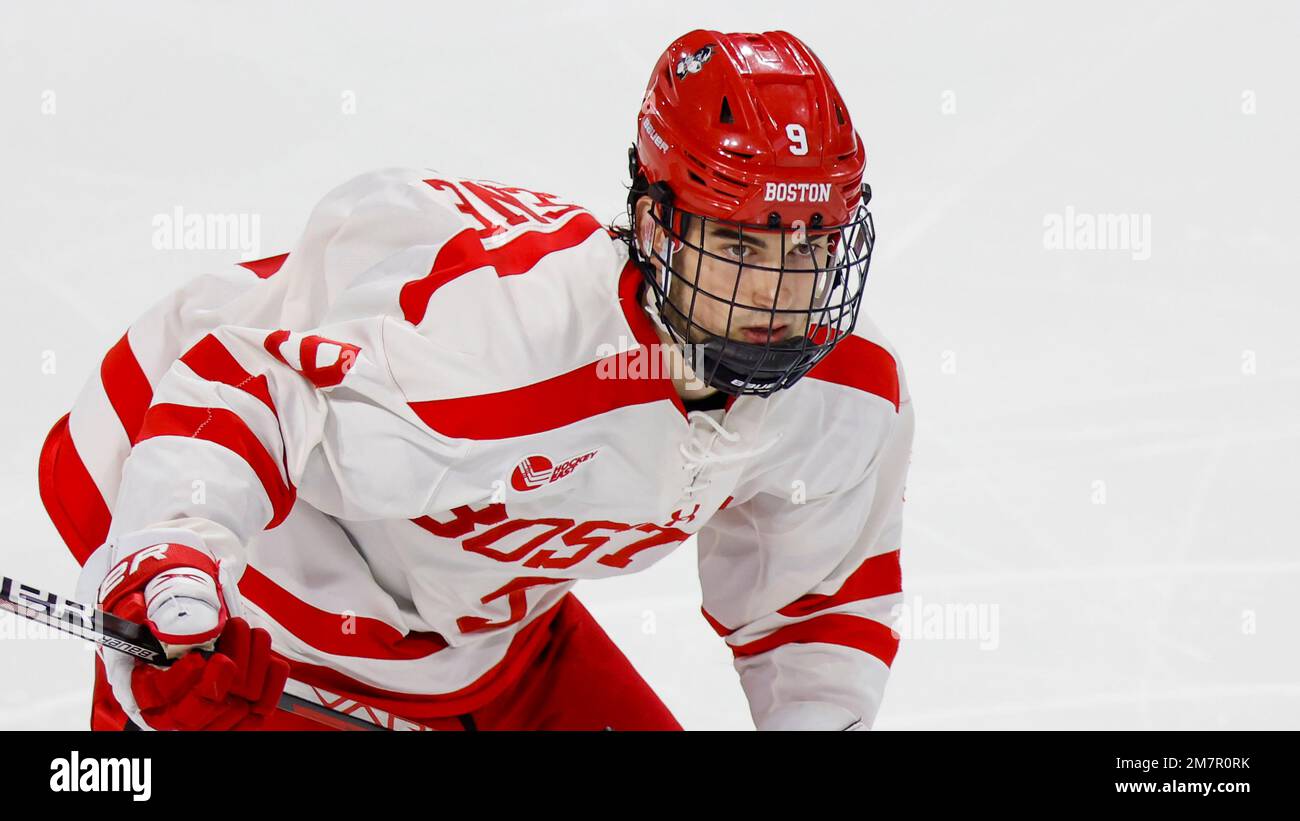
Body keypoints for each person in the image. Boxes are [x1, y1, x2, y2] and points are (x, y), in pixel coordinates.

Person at [38, 28, 913, 731]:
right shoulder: (504, 343)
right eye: (739, 245)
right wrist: (171, 568)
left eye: (812, 246)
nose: (778, 291)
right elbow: (246, 386)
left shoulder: (844, 393)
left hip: (490, 629)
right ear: (655, 225)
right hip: (249, 560)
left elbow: (814, 604)